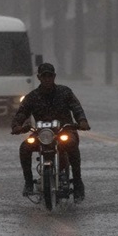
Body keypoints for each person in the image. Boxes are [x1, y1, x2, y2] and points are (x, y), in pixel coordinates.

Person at [10, 63, 91, 200]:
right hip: (42, 135)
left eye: (50, 75)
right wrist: (17, 126)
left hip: (64, 131)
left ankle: (77, 182)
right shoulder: (32, 97)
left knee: (71, 144)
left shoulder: (65, 92)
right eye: (44, 76)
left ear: (54, 76)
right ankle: (28, 182)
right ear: (39, 77)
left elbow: (77, 108)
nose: (47, 79)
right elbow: (21, 113)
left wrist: (82, 121)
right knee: (24, 147)